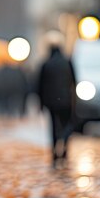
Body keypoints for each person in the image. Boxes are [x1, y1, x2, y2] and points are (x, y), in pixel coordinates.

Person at [37, 33, 75, 166]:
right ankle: (64, 145)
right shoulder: (67, 62)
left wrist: (41, 103)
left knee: (53, 126)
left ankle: (54, 149)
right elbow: (74, 81)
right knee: (66, 124)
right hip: (66, 100)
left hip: (51, 101)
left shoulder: (46, 64)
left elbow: (40, 85)